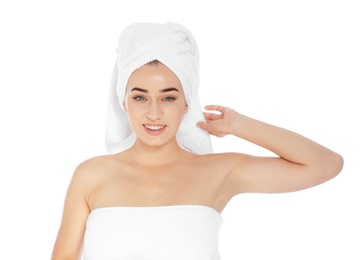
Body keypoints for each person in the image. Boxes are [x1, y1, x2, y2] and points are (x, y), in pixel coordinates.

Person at [51, 22, 343, 260]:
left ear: (186, 103)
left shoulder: (219, 172)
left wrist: (240, 126)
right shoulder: (91, 175)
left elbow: (325, 164)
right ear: (124, 102)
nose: (154, 112)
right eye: (140, 97)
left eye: (168, 97)